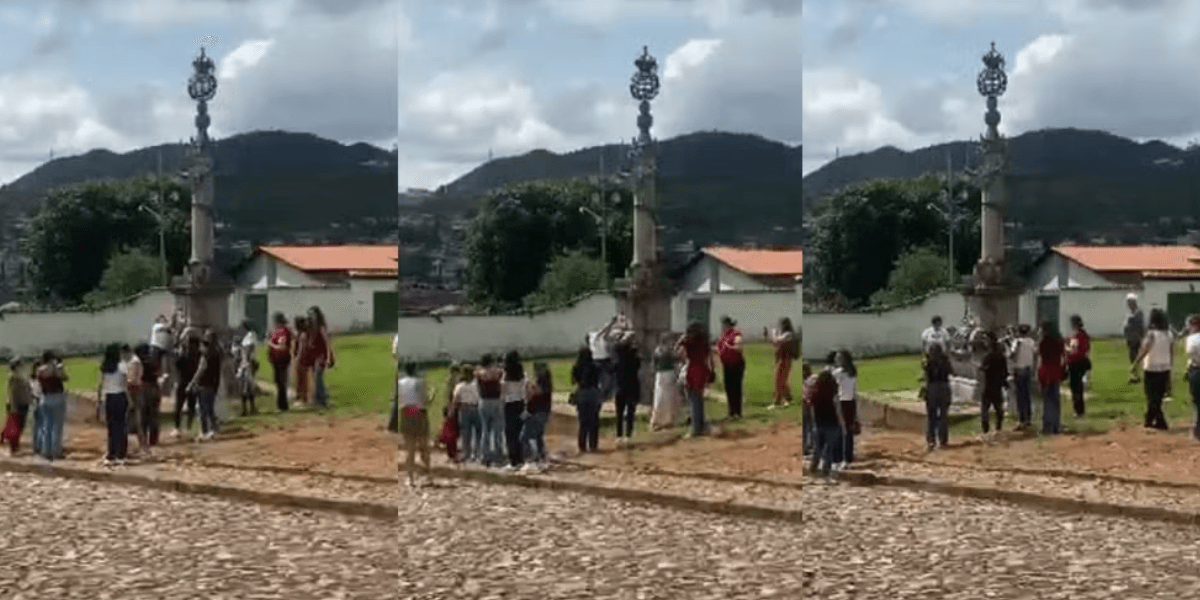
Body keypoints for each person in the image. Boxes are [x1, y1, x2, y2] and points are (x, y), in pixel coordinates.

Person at [1132, 308, 1173, 431]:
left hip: (1151, 367)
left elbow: (1145, 349)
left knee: (1151, 396)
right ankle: (1149, 420)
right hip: (1165, 367)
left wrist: (1135, 363)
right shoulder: (1169, 334)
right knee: (1158, 396)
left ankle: (1160, 421)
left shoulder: (1151, 334)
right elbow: (1171, 352)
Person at [676, 322, 717, 437]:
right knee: (698, 398)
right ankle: (701, 424)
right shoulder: (704, 343)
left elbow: (677, 350)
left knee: (693, 399)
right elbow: (709, 358)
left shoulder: (688, 342)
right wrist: (712, 371)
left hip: (692, 369)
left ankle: (695, 428)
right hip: (702, 369)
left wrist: (682, 339)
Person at [398, 361, 434, 487]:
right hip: (419, 412)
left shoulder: (400, 383)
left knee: (410, 449)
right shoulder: (421, 382)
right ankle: (428, 476)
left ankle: (410, 478)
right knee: (424, 447)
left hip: (406, 413)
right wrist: (432, 396)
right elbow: (425, 400)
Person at [807, 364, 843, 480]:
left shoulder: (816, 395)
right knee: (829, 448)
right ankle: (826, 468)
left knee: (818, 447)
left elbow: (811, 407)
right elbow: (838, 409)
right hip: (832, 423)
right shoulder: (833, 394)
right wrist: (842, 423)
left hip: (818, 423)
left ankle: (814, 465)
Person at [97, 345, 129, 466]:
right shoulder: (122, 366)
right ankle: (121, 454)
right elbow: (125, 384)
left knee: (111, 427)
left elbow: (101, 386)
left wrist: (99, 401)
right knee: (121, 426)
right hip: (120, 396)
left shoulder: (104, 367)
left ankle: (111, 453)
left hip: (109, 397)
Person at [187, 331, 223, 441]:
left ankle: (204, 431)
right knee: (210, 408)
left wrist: (192, 383)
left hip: (204, 384)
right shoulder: (217, 353)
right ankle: (213, 429)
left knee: (203, 409)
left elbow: (200, 370)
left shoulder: (205, 356)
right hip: (213, 383)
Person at [35, 351, 68, 460]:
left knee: (47, 426)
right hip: (56, 397)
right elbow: (64, 377)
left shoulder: (39, 370)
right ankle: (56, 451)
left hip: (44, 398)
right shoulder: (54, 368)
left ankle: (46, 451)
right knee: (57, 427)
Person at [475, 354, 506, 467]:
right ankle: (498, 453)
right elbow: (501, 373)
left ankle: (484, 455)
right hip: (496, 400)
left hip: (483, 401)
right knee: (497, 430)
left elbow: (478, 374)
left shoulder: (479, 373)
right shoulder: (497, 372)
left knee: (485, 429)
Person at [520, 362, 552, 471]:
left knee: (525, 437)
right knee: (538, 437)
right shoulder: (547, 383)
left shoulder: (541, 385)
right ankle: (541, 458)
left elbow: (532, 396)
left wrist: (528, 386)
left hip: (536, 413)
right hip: (544, 413)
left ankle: (531, 459)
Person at [1036, 321, 1066, 435]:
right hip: (1056, 370)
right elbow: (1063, 357)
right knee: (1055, 399)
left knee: (1047, 400)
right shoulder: (1059, 340)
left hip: (1045, 371)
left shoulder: (1043, 342)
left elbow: (1040, 358)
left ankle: (1047, 425)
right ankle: (1056, 425)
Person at [571, 346, 602, 452]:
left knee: (583, 422)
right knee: (594, 421)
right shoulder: (596, 366)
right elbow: (598, 380)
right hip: (594, 393)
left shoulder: (576, 367)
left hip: (582, 394)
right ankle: (593, 445)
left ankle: (582, 445)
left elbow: (573, 381)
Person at [500, 351, 528, 470]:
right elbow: (525, 388)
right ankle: (521, 458)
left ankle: (513, 460)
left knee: (510, 434)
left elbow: (503, 392)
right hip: (520, 403)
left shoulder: (505, 376)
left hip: (509, 404)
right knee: (519, 432)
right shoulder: (522, 374)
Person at [832, 350, 859, 467]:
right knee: (845, 429)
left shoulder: (843, 373)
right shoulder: (845, 373)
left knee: (844, 430)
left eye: (840, 358)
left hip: (845, 402)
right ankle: (845, 455)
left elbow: (850, 390)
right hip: (846, 402)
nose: (837, 360)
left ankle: (843, 456)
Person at [716, 316, 746, 420]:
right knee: (728, 388)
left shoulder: (735, 334)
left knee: (736, 388)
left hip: (736, 364)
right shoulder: (722, 335)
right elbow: (719, 348)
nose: (722, 327)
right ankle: (731, 412)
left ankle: (738, 412)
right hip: (727, 365)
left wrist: (729, 347)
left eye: (724, 325)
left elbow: (739, 347)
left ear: (728, 325)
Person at [924, 344, 953, 450]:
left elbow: (926, 377)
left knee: (932, 415)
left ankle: (931, 440)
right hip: (944, 387)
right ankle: (943, 440)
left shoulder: (929, 363)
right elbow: (951, 371)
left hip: (933, 388)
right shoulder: (945, 361)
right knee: (943, 415)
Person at [979, 334, 1009, 438]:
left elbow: (983, 369)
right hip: (997, 385)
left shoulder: (987, 356)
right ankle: (998, 427)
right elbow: (1005, 372)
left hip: (988, 385)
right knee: (998, 408)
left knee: (985, 409)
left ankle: (986, 430)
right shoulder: (1001, 356)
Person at [1008, 324, 1037, 430]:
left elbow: (1012, 355)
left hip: (1019, 370)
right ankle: (1028, 418)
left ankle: (1021, 419)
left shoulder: (1017, 342)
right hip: (1028, 369)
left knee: (1020, 396)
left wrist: (1009, 346)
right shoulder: (1031, 342)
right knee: (1027, 395)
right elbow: (1035, 354)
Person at [3, 358, 34, 456]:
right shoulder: (14, 378)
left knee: (20, 426)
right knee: (16, 426)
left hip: (22, 404)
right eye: (20, 365)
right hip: (17, 405)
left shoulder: (19, 377)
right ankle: (13, 448)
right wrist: (13, 407)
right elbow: (13, 394)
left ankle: (15, 447)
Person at [613, 339, 641, 446]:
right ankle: (628, 435)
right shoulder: (634, 360)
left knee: (619, 414)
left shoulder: (617, 362)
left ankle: (619, 435)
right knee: (630, 413)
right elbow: (638, 362)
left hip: (620, 389)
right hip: (632, 388)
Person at [1063, 315, 1092, 418]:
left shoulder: (1076, 335)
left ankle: (1078, 410)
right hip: (1074, 362)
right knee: (1076, 387)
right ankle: (1078, 409)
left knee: (1076, 387)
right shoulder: (1078, 334)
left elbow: (1083, 349)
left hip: (1077, 362)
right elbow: (1086, 349)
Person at [173, 331, 201, 438]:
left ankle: (177, 428)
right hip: (192, 383)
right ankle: (189, 427)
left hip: (182, 383)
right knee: (191, 406)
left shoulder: (183, 357)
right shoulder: (197, 357)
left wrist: (180, 349)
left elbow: (176, 364)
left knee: (179, 406)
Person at [766, 318, 799, 409]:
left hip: (785, 359)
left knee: (779, 380)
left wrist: (773, 333)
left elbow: (777, 341)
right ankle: (787, 399)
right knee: (782, 380)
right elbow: (775, 343)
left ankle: (778, 401)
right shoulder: (785, 334)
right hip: (780, 359)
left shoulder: (788, 334)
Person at [307, 306, 335, 410]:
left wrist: (329, 356)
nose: (311, 317)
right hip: (313, 355)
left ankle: (322, 400)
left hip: (321, 355)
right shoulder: (311, 328)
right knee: (315, 377)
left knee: (318, 376)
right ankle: (318, 398)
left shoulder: (321, 327)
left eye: (313, 314)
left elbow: (327, 342)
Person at [134, 344, 161, 448]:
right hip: (155, 387)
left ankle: (144, 439)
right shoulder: (153, 362)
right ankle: (153, 439)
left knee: (143, 415)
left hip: (144, 388)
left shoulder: (139, 363)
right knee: (154, 415)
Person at [453, 364, 481, 463]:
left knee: (466, 433)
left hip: (464, 408)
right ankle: (478, 453)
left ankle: (467, 453)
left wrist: (453, 410)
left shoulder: (459, 386)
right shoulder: (477, 384)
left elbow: (456, 399)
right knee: (478, 432)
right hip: (476, 407)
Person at [266, 313, 293, 412]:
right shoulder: (276, 331)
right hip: (276, 361)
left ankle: (283, 405)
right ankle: (280, 405)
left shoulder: (283, 331)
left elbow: (282, 346)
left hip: (282, 360)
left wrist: (270, 343)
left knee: (281, 383)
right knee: (278, 382)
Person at [587, 317, 618, 402]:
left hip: (605, 360)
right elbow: (603, 331)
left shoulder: (599, 339)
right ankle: (602, 396)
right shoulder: (594, 338)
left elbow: (605, 333)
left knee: (609, 379)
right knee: (604, 379)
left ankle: (607, 395)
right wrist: (611, 323)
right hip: (600, 360)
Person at [1184, 314, 1200, 442]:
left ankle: (1198, 430)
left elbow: (1191, 353)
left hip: (1197, 370)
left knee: (1197, 401)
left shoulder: (1192, 338)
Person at [293, 316, 311, 407]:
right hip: (299, 359)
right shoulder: (300, 334)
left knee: (302, 379)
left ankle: (303, 398)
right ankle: (300, 397)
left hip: (302, 359)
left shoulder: (304, 335)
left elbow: (302, 349)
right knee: (299, 379)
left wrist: (298, 358)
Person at [1125, 294, 1147, 367]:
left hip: (1136, 339)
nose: (1128, 304)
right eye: (1128, 302)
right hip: (1130, 339)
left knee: (1135, 357)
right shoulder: (1130, 313)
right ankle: (1135, 373)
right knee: (1132, 357)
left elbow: (1139, 326)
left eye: (1129, 302)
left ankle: (1136, 373)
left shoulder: (1138, 313)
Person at [801, 363, 816, 456]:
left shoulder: (810, 379)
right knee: (809, 426)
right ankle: (808, 446)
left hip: (808, 405)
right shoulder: (812, 379)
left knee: (809, 426)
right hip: (808, 405)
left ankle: (808, 446)